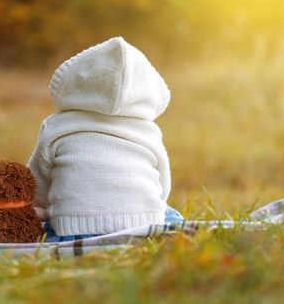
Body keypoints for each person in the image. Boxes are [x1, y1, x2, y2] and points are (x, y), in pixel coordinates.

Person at [27, 36, 183, 242]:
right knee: (174, 217)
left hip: (73, 230)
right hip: (143, 226)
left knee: (41, 230)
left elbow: (36, 183)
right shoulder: (148, 131)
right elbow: (162, 184)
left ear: (73, 84)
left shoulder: (57, 126)